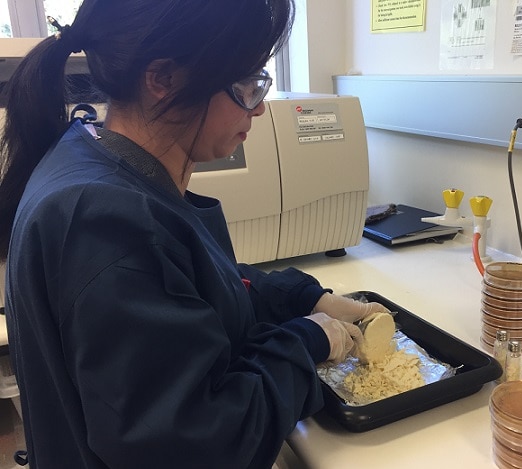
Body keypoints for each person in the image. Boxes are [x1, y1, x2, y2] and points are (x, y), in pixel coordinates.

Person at [0, 1, 388, 468]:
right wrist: (307, 342)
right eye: (245, 85)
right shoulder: (106, 222)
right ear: (163, 79)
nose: (260, 107)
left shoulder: (100, 162)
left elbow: (191, 289)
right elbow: (202, 443)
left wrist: (304, 299)